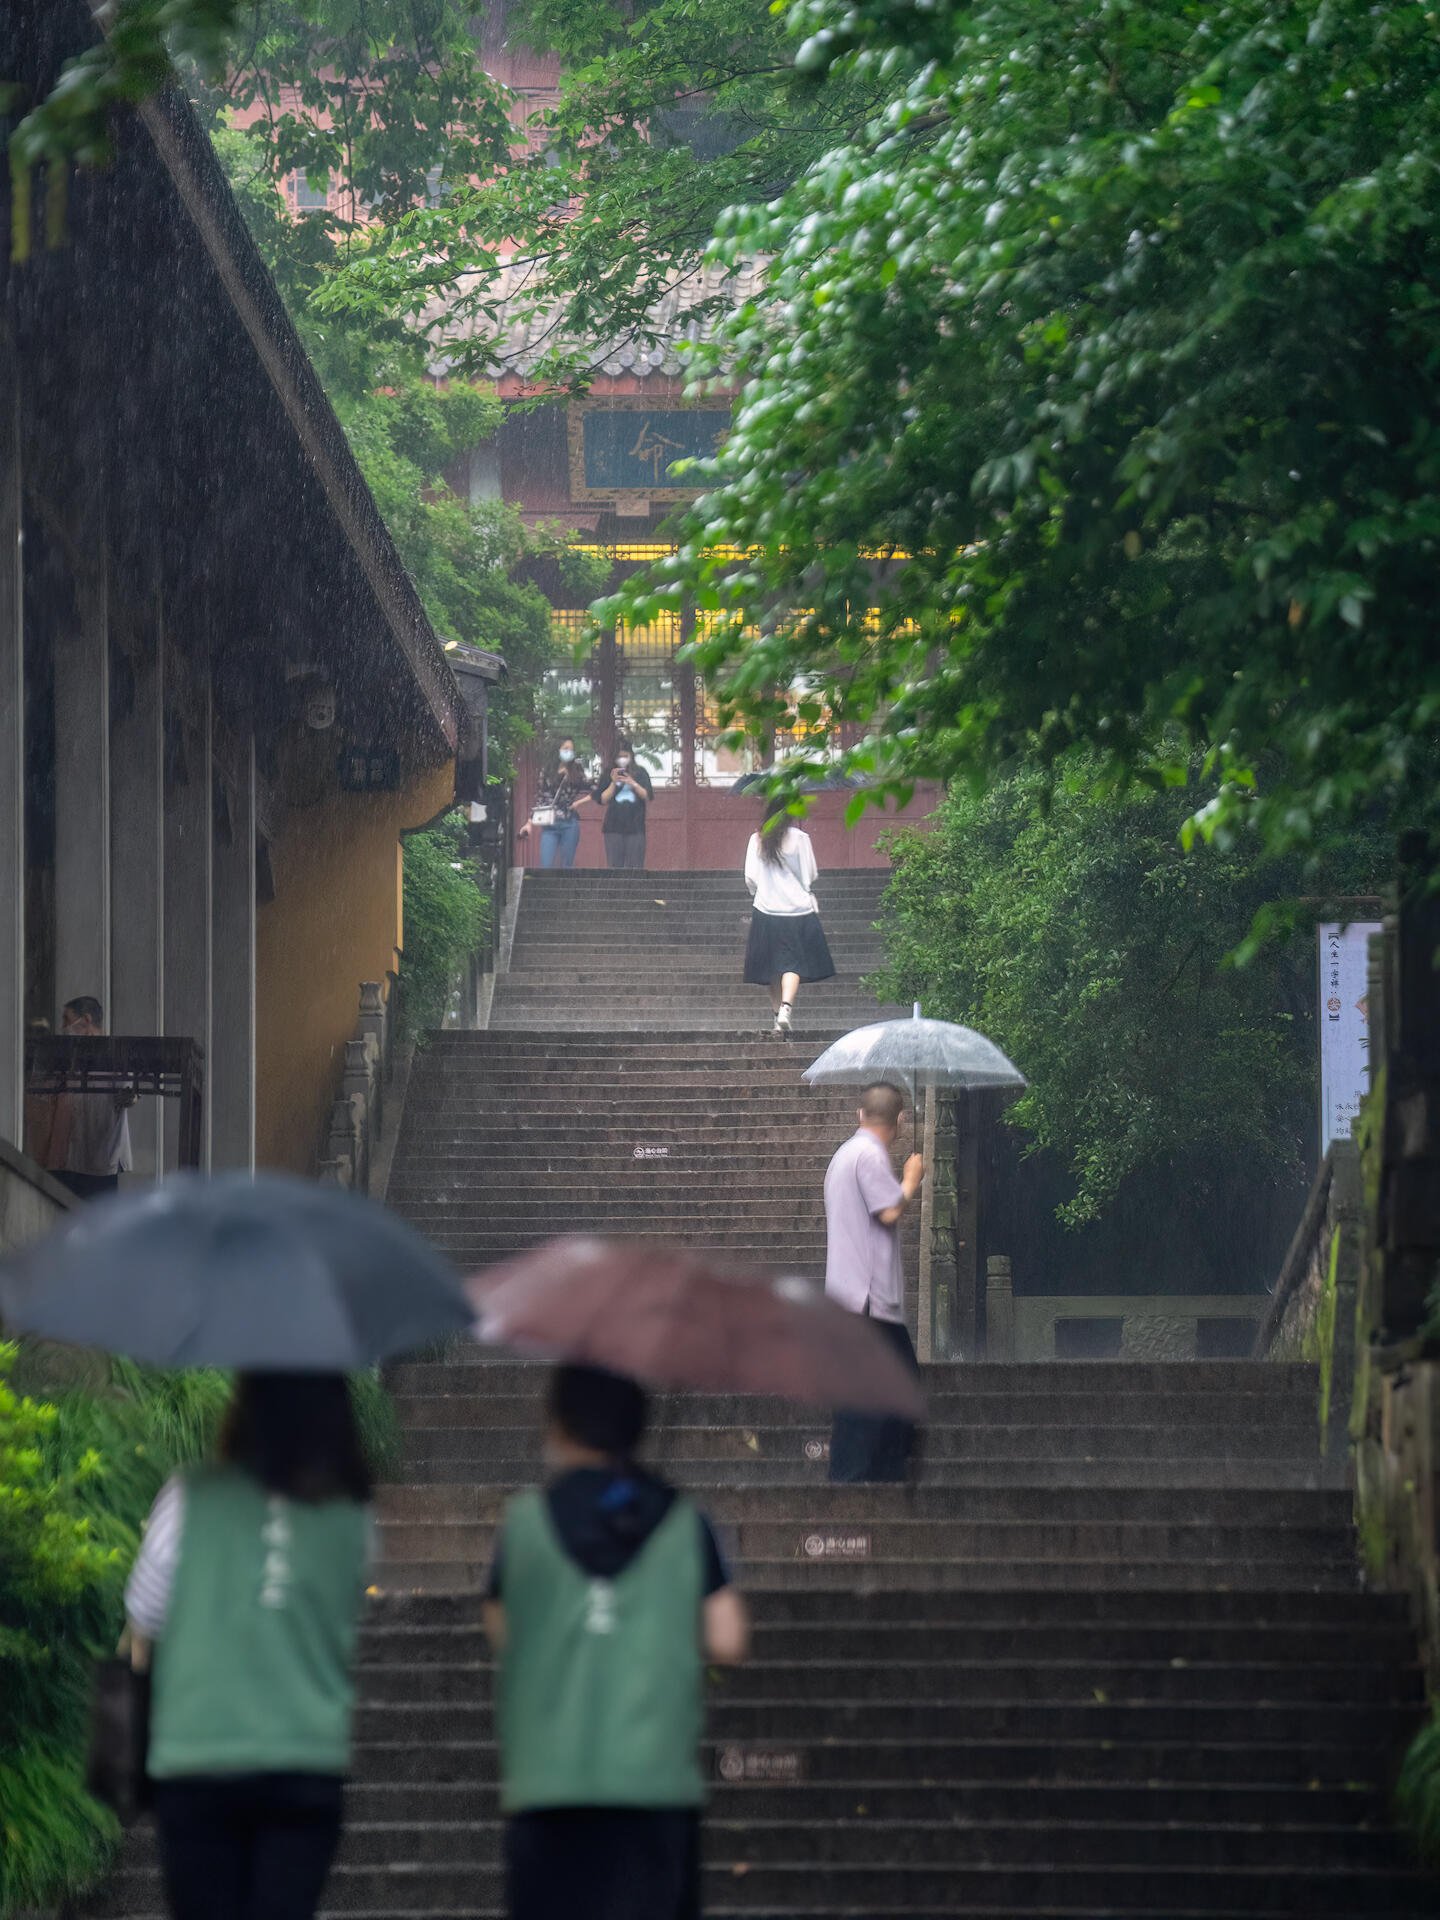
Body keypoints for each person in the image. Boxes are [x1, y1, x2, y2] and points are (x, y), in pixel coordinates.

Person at [485, 1363, 749, 1920]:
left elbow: (501, 1628)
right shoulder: (684, 1520)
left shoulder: (524, 1523)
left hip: (548, 1787)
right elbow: (728, 1637)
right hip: (653, 1787)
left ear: (557, 1425)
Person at [124, 1374, 374, 1920]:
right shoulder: (352, 1515)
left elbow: (145, 1610)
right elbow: (345, 1610)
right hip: (306, 1757)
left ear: (243, 1408)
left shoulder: (192, 1493)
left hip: (199, 1755)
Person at [823, 1083, 925, 1483]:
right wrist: (912, 1178)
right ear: (900, 1120)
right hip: (867, 1299)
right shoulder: (867, 1155)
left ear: (859, 1114)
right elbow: (888, 1211)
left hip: (853, 1296)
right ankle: (860, 1478)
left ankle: (878, 1474)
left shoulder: (844, 1155)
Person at [743, 806, 836, 1037]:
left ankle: (776, 1018)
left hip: (766, 907)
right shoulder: (800, 838)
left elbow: (750, 877)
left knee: (771, 968)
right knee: (792, 963)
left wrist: (762, 889)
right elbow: (811, 873)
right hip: (797, 909)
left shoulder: (757, 839)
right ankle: (786, 1009)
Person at [43, 996, 134, 1199]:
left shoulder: (116, 1054)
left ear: (86, 1020)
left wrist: (130, 1098)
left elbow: (129, 1094)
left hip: (102, 1159)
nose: (63, 1026)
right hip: (68, 1159)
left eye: (67, 1019)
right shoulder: (65, 1055)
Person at [517, 737, 594, 870]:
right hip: (550, 825)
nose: (569, 752)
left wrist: (579, 803)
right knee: (546, 865)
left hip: (569, 823)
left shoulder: (577, 771)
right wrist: (529, 823)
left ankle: (567, 890)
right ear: (557, 750)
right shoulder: (547, 772)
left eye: (571, 749)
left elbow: (595, 788)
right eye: (565, 749)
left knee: (567, 865)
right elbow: (541, 799)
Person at [595, 737, 654, 870]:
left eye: (625, 756)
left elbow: (647, 795)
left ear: (631, 756)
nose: (622, 759)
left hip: (636, 826)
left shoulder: (640, 772)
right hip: (613, 827)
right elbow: (602, 799)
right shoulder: (608, 773)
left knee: (636, 866)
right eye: (619, 757)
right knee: (615, 867)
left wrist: (632, 782)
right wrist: (613, 782)